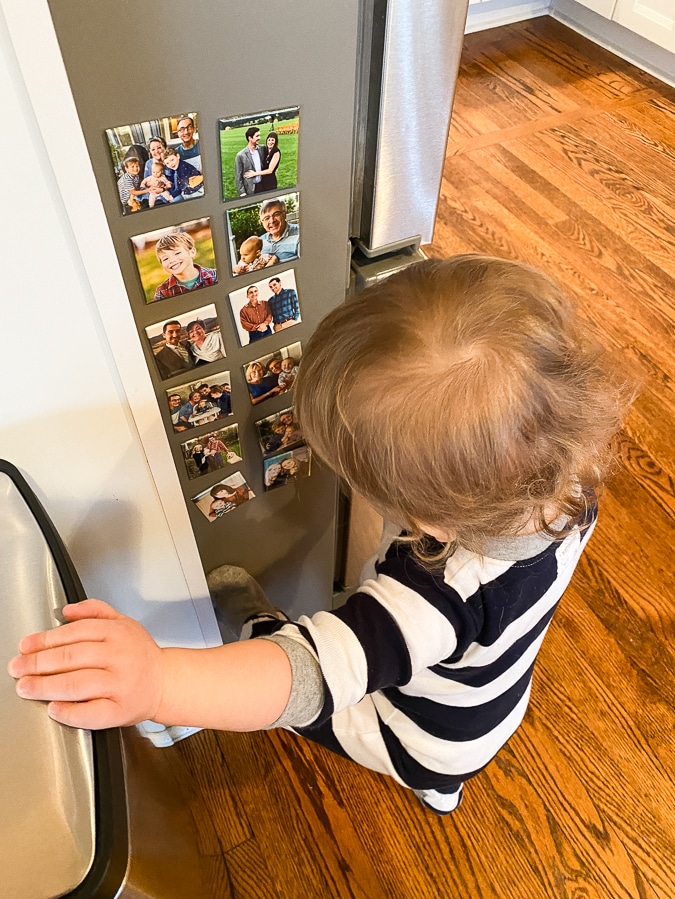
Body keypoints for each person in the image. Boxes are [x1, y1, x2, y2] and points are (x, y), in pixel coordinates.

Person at [8, 256, 631, 817]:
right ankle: (444, 792)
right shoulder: (570, 481)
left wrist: (160, 682)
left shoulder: (434, 597)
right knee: (442, 751)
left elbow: (306, 677)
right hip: (490, 709)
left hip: (414, 738)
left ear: (435, 524)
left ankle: (261, 624)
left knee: (328, 706)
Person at [153, 232, 218, 302]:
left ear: (192, 252)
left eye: (177, 253)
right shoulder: (162, 292)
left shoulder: (215, 276)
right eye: (165, 259)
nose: (172, 260)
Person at [259, 199, 299, 263]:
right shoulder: (259, 241)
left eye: (276, 214)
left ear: (284, 214)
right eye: (267, 218)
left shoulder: (300, 233)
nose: (272, 220)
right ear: (262, 222)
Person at [234, 127, 264, 197]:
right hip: (250, 189)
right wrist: (242, 192)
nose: (259, 138)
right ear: (250, 138)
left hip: (263, 186)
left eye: (259, 135)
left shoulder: (262, 149)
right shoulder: (240, 155)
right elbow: (238, 176)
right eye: (257, 136)